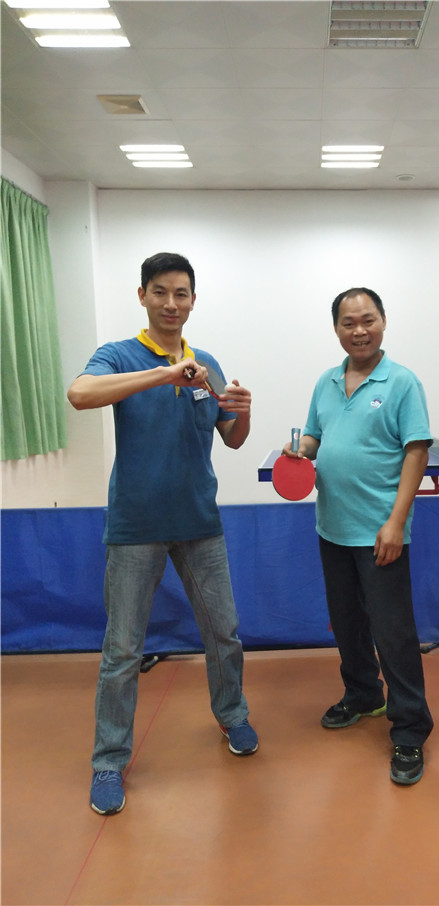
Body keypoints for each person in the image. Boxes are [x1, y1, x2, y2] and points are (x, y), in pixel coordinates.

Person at [68, 252, 258, 816]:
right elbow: (80, 394)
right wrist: (165, 373)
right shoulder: (118, 355)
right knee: (123, 649)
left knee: (224, 632)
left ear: (193, 300)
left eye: (181, 293)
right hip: (135, 528)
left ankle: (233, 716)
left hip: (200, 524)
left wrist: (243, 410)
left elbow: (233, 437)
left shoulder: (208, 364)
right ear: (143, 296)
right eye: (160, 292)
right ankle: (108, 761)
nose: (171, 303)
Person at [283, 287, 433, 784]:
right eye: (348, 322)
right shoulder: (326, 382)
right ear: (337, 329)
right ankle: (364, 694)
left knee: (393, 633)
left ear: (383, 322)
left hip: (379, 532)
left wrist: (396, 522)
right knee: (347, 624)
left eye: (368, 319)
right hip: (333, 528)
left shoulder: (402, 382)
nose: (359, 330)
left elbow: (416, 452)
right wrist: (299, 450)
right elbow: (315, 436)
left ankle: (410, 729)